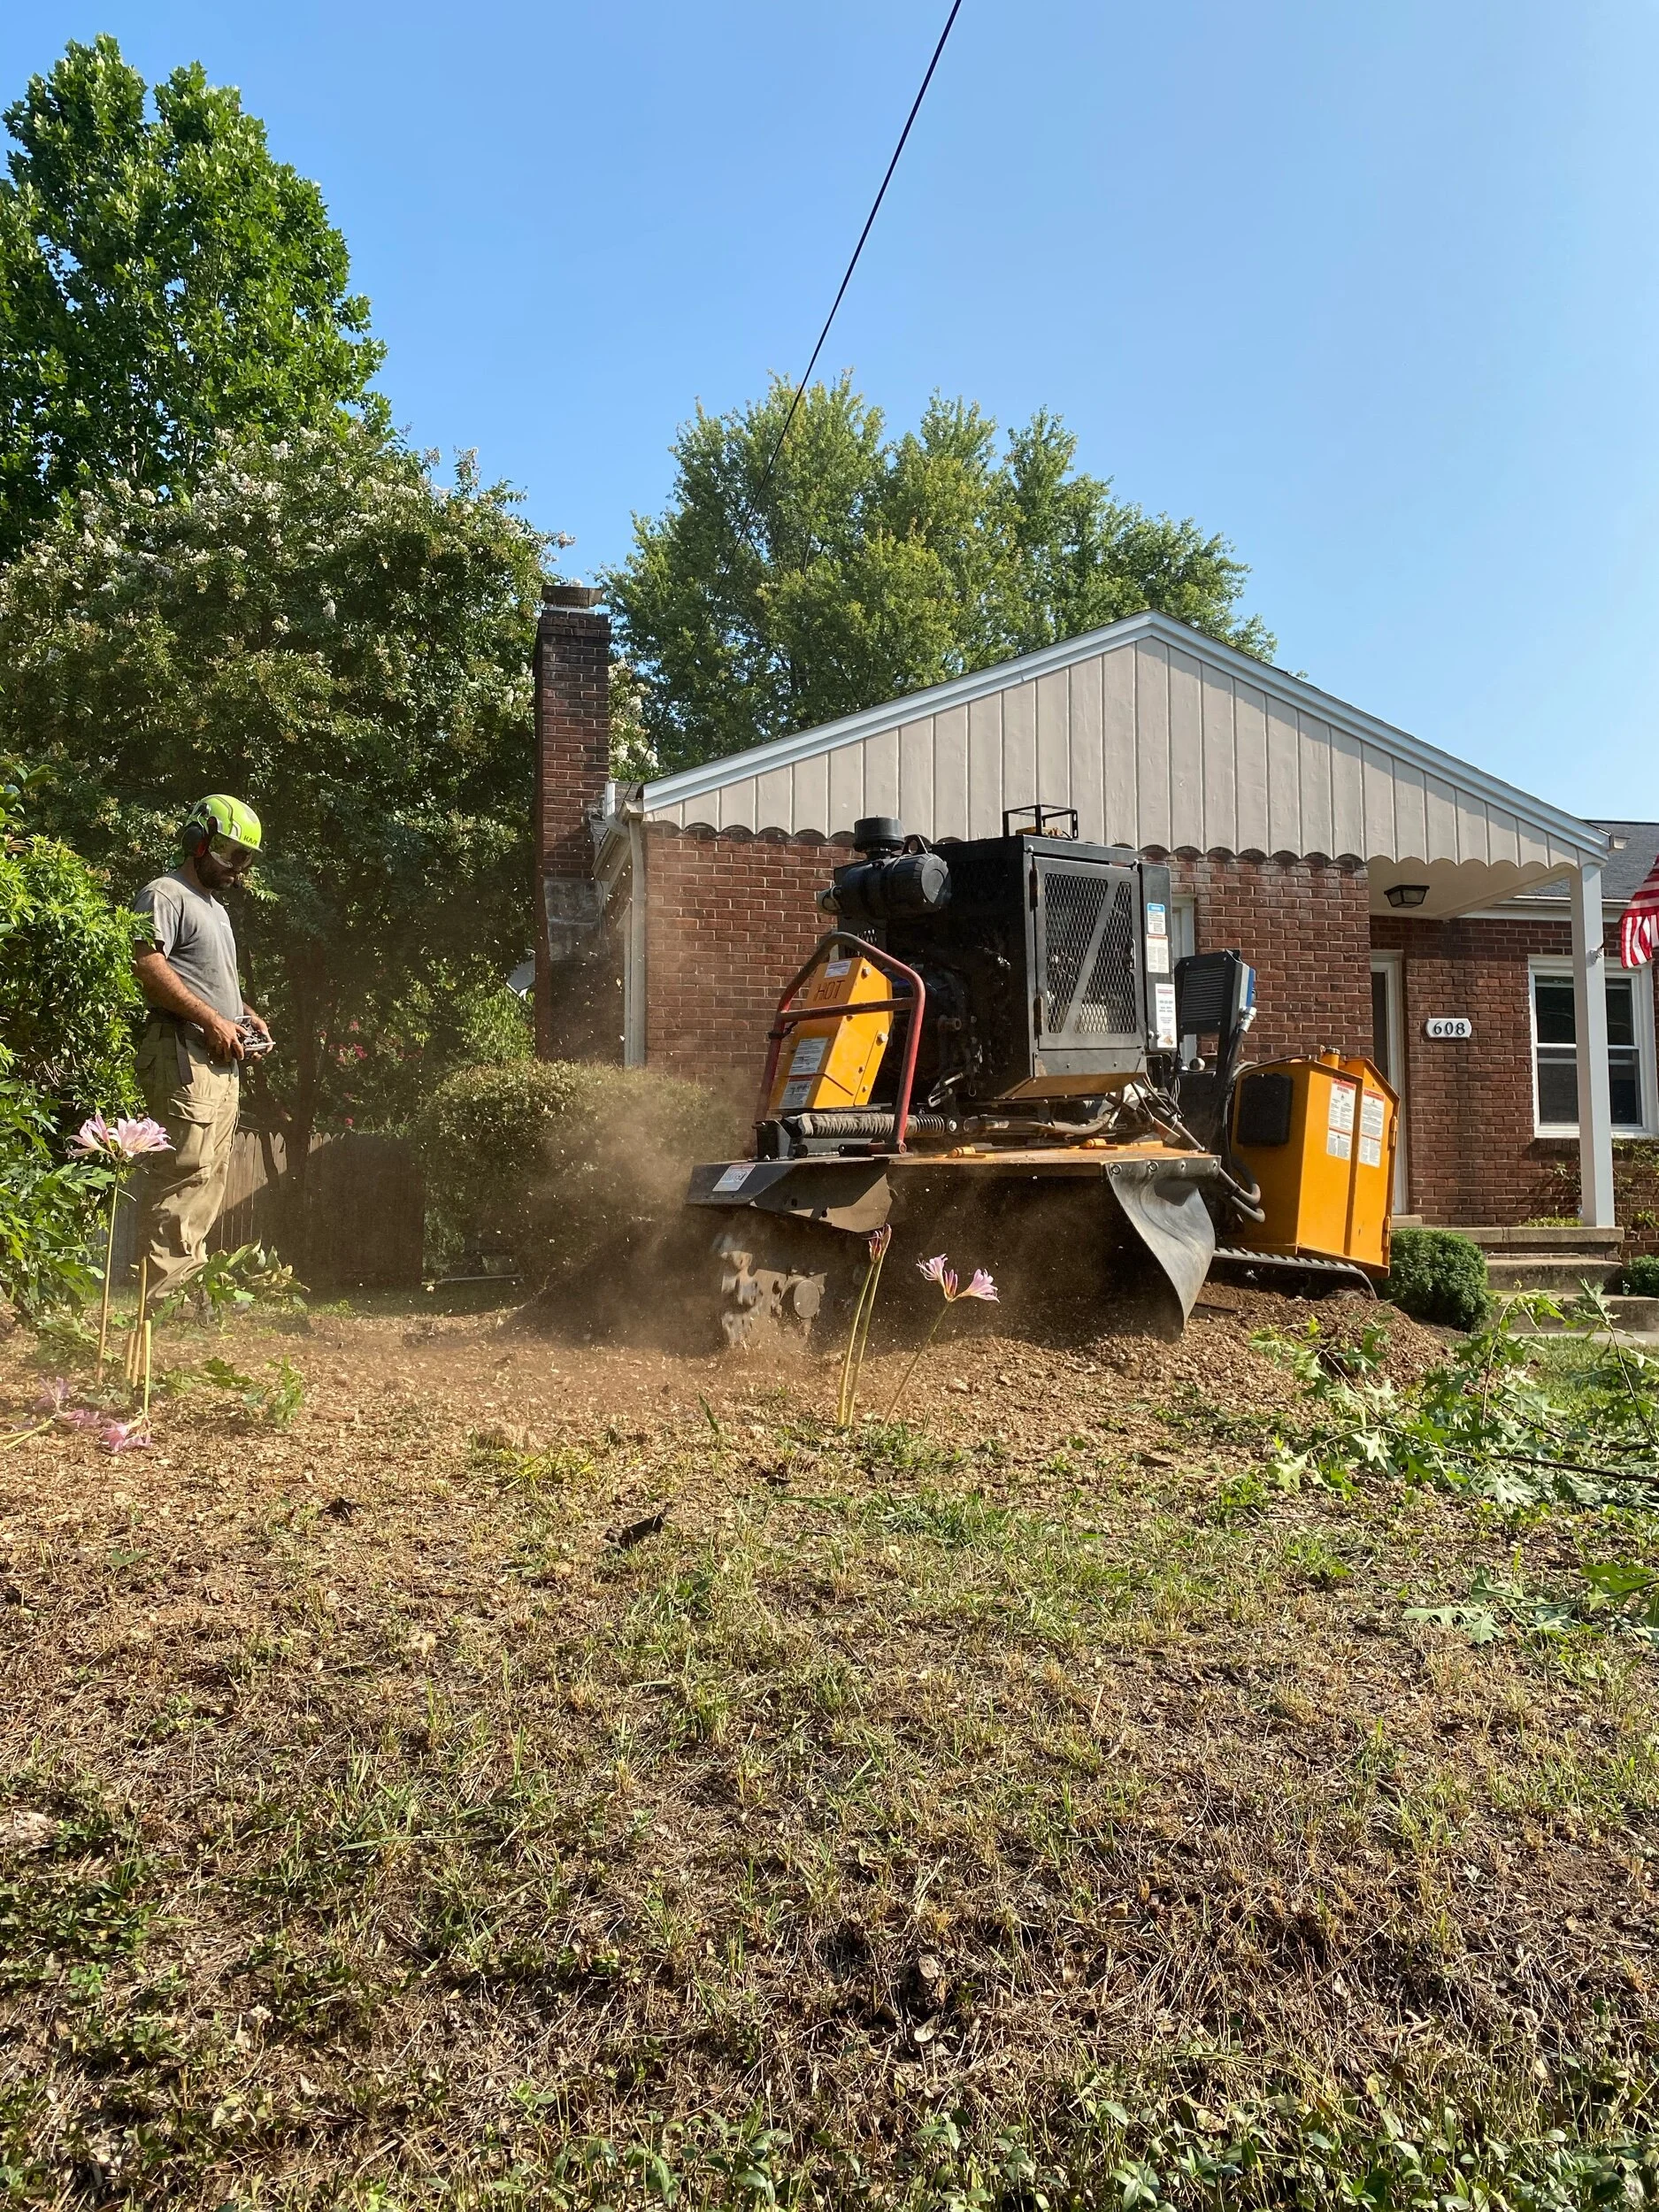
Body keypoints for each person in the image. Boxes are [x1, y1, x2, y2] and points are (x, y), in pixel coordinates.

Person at [132, 795, 273, 1305]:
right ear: (199, 841)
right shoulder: (166, 895)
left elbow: (211, 983)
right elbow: (147, 965)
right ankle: (160, 1309)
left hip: (217, 1064)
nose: (239, 869)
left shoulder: (215, 910)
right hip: (183, 1056)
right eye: (231, 854)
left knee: (207, 1184)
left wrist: (243, 1015)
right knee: (183, 1179)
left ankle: (180, 1303)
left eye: (246, 859)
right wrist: (211, 1019)